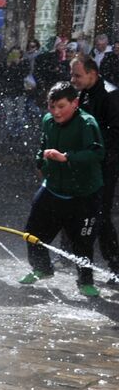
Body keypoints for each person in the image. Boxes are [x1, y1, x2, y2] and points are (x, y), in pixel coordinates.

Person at [19, 82, 104, 297]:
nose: (56, 112)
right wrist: (41, 161)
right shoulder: (48, 120)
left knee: (83, 242)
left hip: (83, 194)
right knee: (31, 233)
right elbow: (43, 143)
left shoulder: (87, 123)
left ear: (75, 103)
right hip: (53, 188)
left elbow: (97, 153)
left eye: (61, 106)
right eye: (52, 106)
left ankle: (85, 281)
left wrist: (67, 158)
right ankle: (43, 268)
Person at [70, 55, 119, 274]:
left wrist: (95, 157)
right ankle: (73, 252)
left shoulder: (110, 95)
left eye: (77, 75)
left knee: (100, 212)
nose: (73, 79)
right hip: (83, 161)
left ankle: (115, 261)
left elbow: (114, 135)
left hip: (104, 165)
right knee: (74, 205)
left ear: (93, 73)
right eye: (72, 74)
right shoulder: (82, 92)